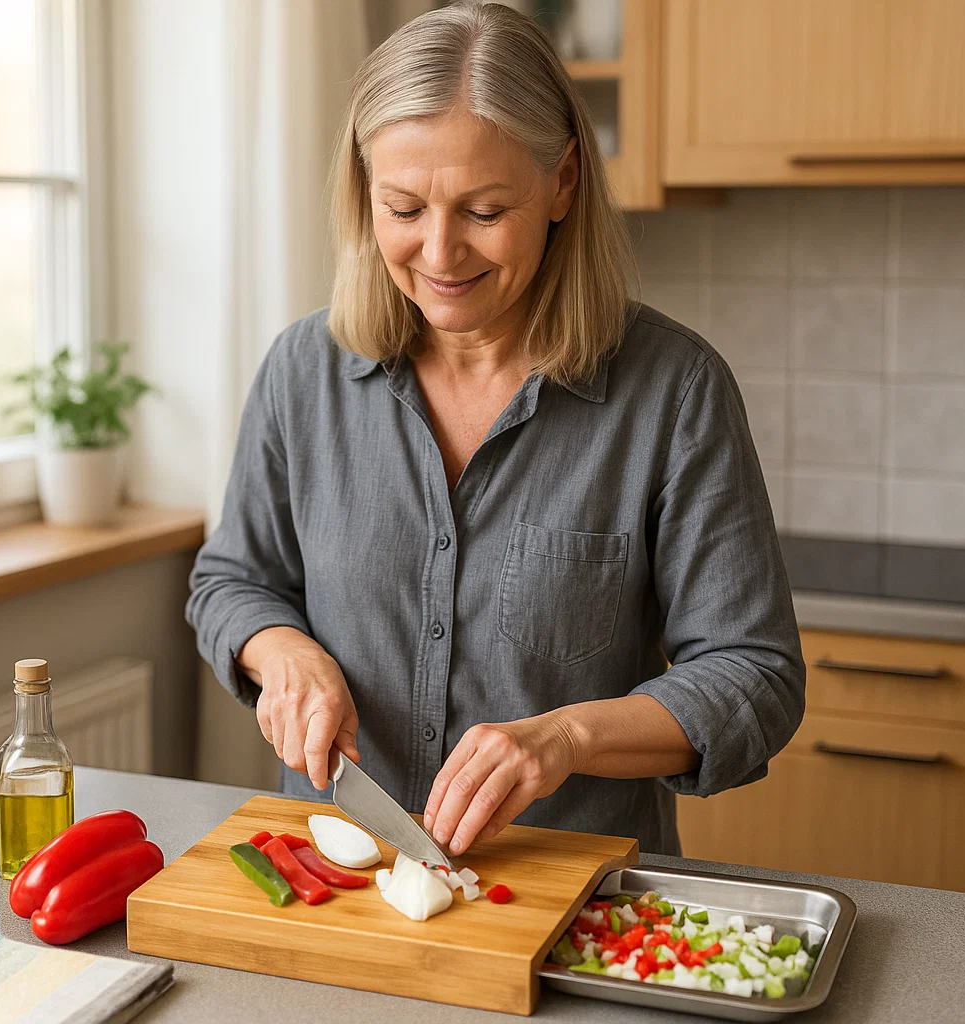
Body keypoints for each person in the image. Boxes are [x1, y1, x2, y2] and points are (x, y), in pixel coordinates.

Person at [186, 1, 804, 858]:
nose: (440, 254)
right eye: (404, 209)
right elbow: (230, 580)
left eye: (482, 212)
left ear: (563, 183)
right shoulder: (304, 371)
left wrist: (567, 738)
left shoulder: (674, 390)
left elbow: (755, 675)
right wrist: (283, 652)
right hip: (339, 878)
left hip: (574, 890)